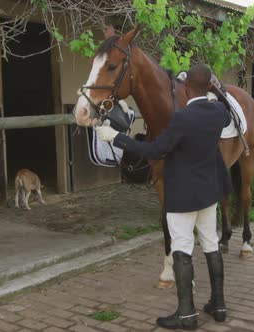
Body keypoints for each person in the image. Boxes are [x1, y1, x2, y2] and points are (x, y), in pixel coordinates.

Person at [95, 63, 232, 330]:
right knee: (211, 244)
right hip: (209, 192)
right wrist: (215, 91)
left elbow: (155, 150)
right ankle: (218, 304)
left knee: (182, 248)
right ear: (208, 87)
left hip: (183, 195)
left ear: (187, 87)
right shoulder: (217, 111)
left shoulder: (181, 119)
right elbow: (226, 112)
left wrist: (116, 137)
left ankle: (187, 314)